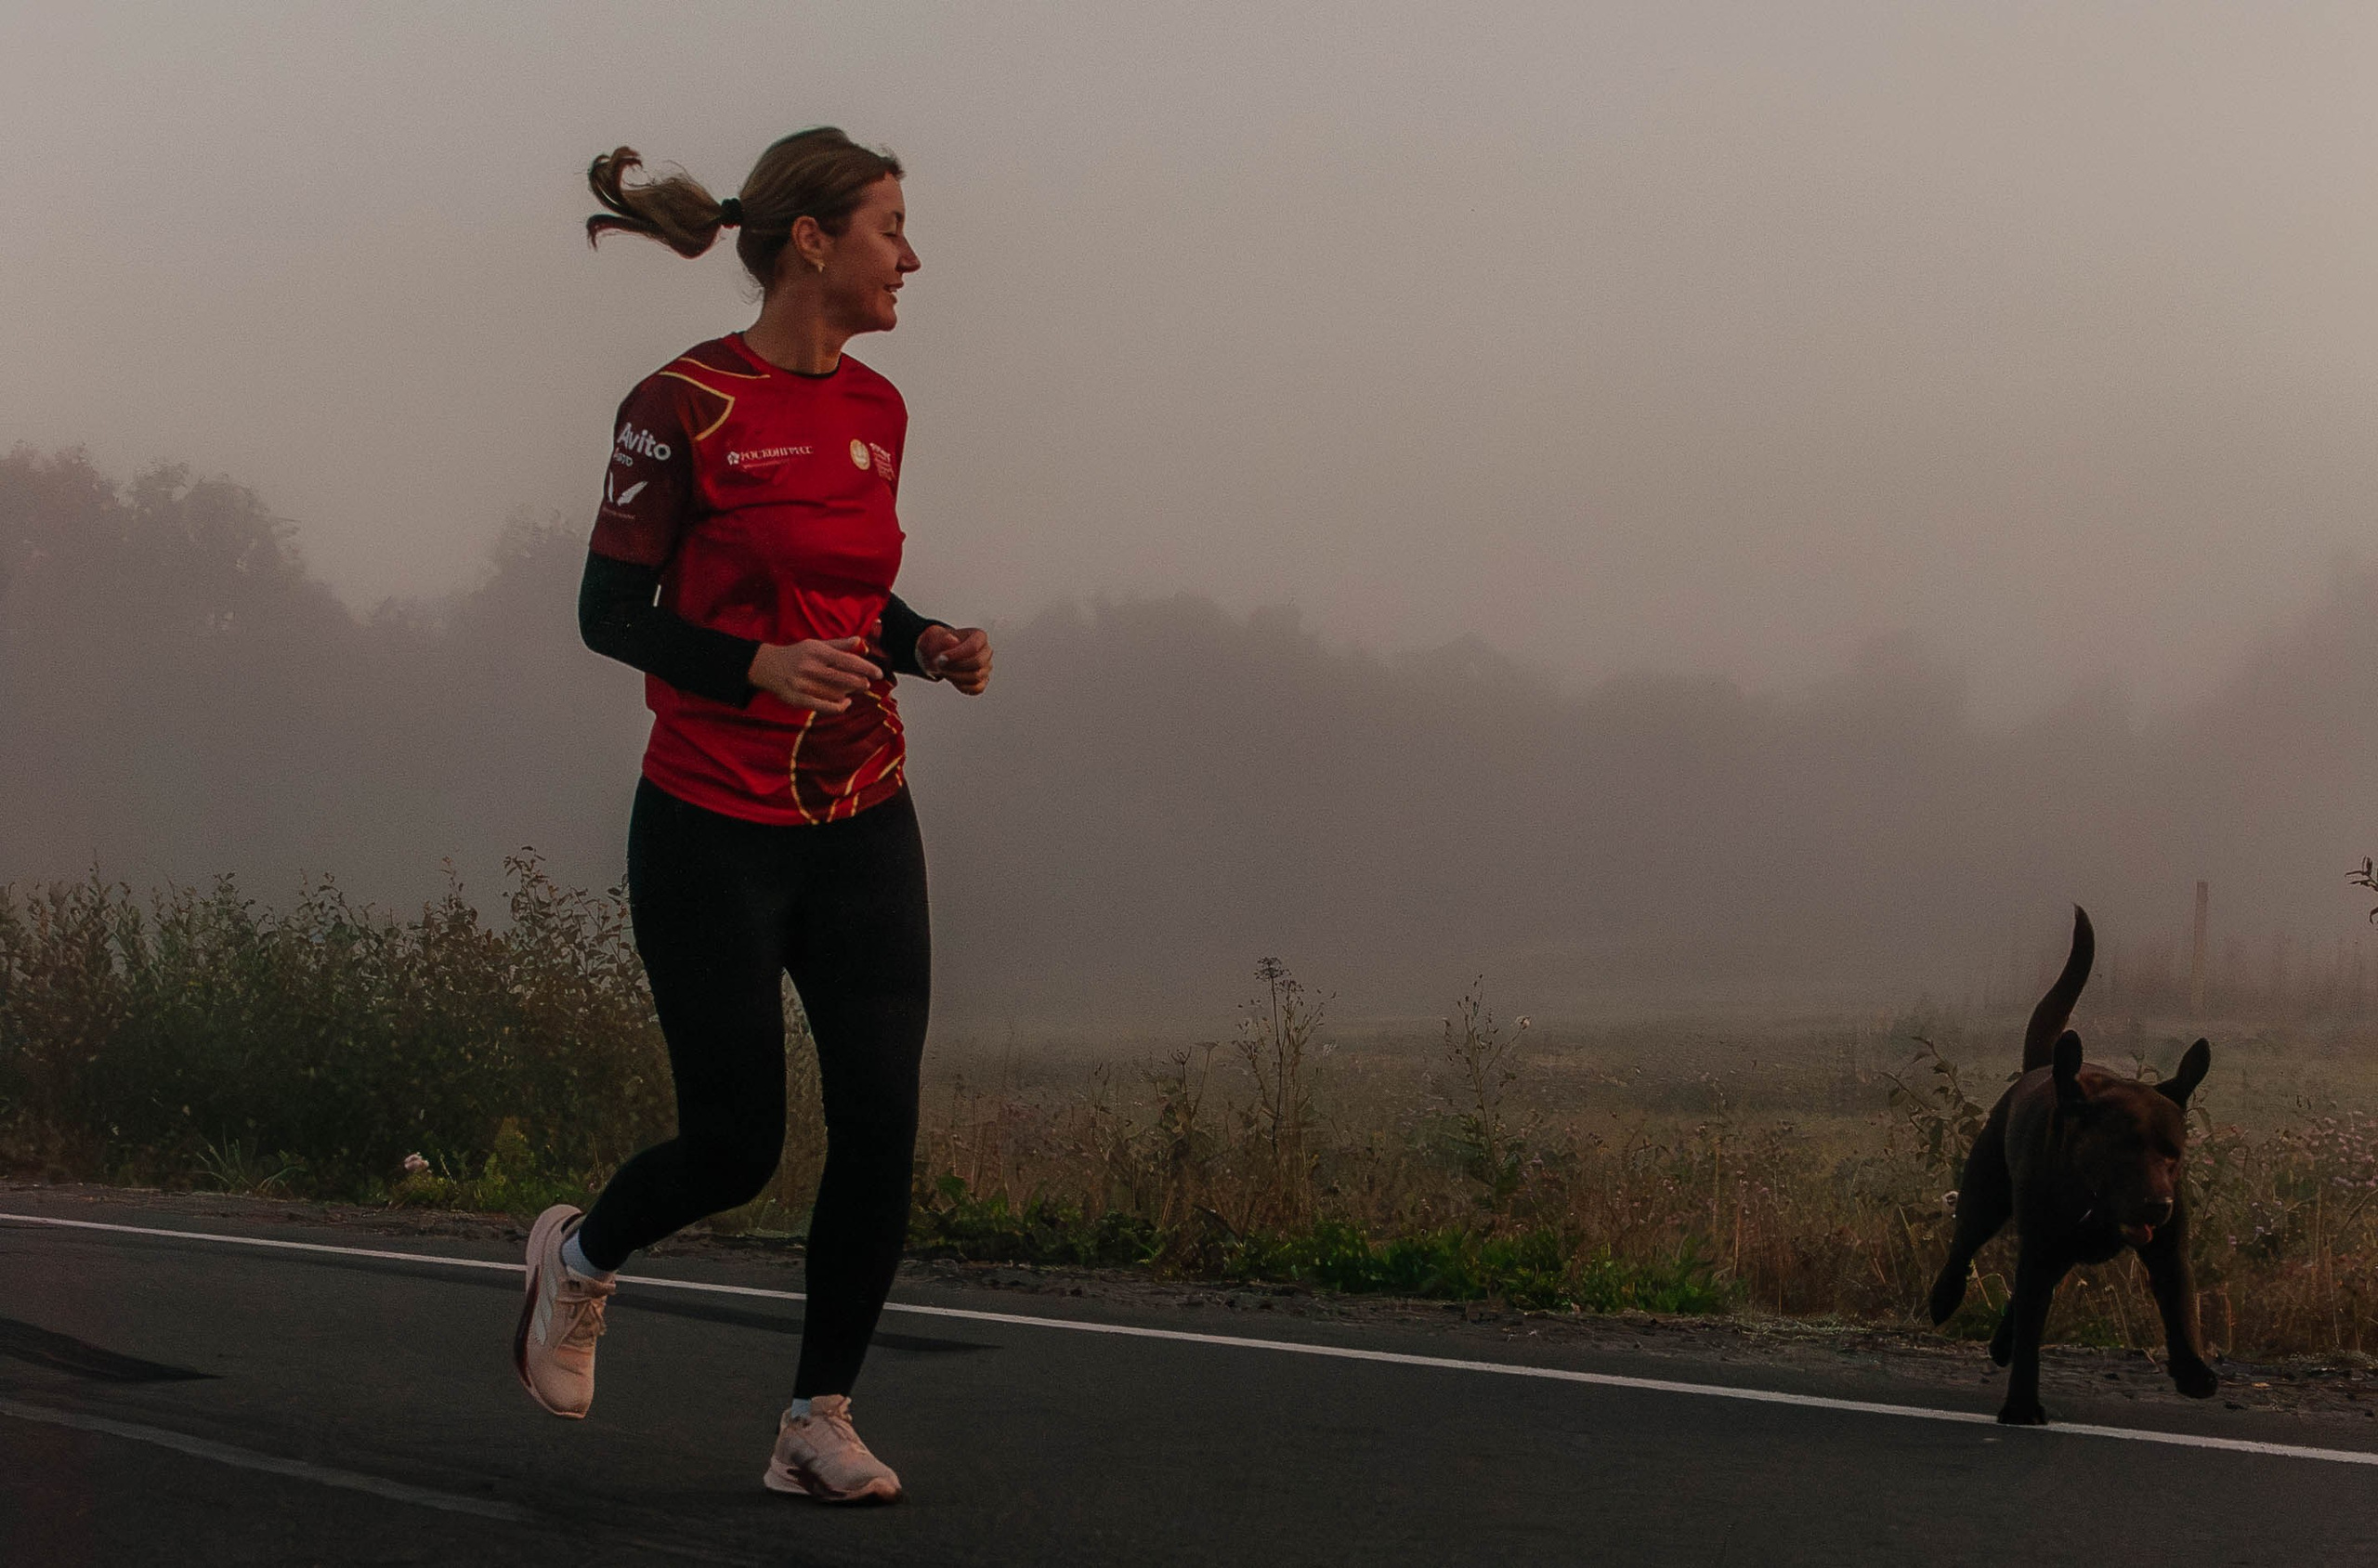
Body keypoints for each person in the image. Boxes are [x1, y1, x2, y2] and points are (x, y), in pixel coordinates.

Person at [512, 128, 992, 1506]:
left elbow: (843, 601)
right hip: (711, 823)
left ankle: (815, 1421)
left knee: (881, 1118)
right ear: (812, 242)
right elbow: (611, 613)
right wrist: (754, 668)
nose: (912, 256)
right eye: (892, 226)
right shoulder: (680, 405)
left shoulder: (881, 408)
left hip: (862, 811)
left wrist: (927, 640)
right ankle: (580, 1257)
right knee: (737, 1143)